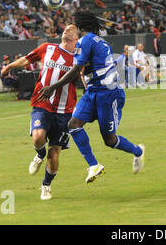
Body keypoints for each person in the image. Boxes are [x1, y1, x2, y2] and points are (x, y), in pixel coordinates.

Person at [37, 11, 145, 184]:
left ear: (80, 26)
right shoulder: (98, 40)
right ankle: (93, 165)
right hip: (93, 92)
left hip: (108, 95)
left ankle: (138, 151)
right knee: (73, 124)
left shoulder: (86, 40)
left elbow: (77, 68)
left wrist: (53, 87)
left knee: (109, 140)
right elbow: (87, 66)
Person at [0, 24, 79, 200]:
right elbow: (28, 59)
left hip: (65, 111)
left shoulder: (79, 59)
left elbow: (84, 79)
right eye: (65, 29)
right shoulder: (47, 48)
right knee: (38, 137)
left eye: (71, 30)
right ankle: (39, 154)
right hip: (42, 103)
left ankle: (46, 186)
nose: (67, 30)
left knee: (54, 153)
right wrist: (10, 67)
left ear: (76, 39)